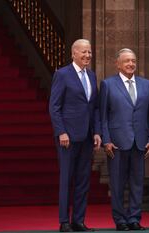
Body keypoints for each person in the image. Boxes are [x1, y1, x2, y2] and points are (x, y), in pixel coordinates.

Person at [99, 48, 149, 231]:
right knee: (117, 184)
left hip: (140, 142)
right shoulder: (108, 84)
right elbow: (103, 116)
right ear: (118, 64)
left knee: (137, 183)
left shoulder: (146, 84)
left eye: (133, 60)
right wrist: (106, 140)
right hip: (116, 143)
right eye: (126, 61)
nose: (130, 64)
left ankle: (134, 218)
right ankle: (120, 220)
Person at [49, 39, 102, 232]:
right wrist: (61, 131)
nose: (87, 55)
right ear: (73, 54)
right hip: (68, 137)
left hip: (87, 136)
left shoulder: (92, 75)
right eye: (83, 52)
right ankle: (64, 221)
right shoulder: (62, 75)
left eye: (89, 52)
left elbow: (94, 107)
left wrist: (97, 132)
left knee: (83, 180)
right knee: (67, 179)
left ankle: (78, 220)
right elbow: (54, 107)